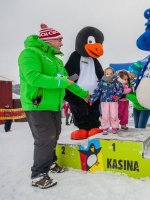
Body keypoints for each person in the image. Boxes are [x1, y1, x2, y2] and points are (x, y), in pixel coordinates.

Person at [18, 23, 90, 189]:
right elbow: (33, 78)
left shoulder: (56, 61)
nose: (62, 43)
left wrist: (83, 94)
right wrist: (61, 81)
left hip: (54, 105)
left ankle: (50, 163)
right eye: (59, 39)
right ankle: (38, 175)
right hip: (37, 105)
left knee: (55, 134)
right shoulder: (29, 53)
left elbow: (68, 83)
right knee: (45, 138)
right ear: (49, 40)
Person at [89, 67, 124, 134]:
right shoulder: (102, 82)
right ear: (105, 74)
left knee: (114, 114)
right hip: (104, 101)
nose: (109, 75)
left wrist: (117, 95)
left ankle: (114, 127)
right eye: (107, 73)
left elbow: (120, 89)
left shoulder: (116, 82)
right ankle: (105, 128)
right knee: (105, 115)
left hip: (113, 101)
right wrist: (92, 99)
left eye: (111, 73)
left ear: (113, 74)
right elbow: (97, 91)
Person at [126, 61, 150, 128]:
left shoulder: (142, 82)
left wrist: (125, 94)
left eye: (130, 72)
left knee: (140, 128)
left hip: (145, 108)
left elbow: (138, 99)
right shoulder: (133, 82)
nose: (129, 73)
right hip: (136, 107)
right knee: (137, 128)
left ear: (135, 73)